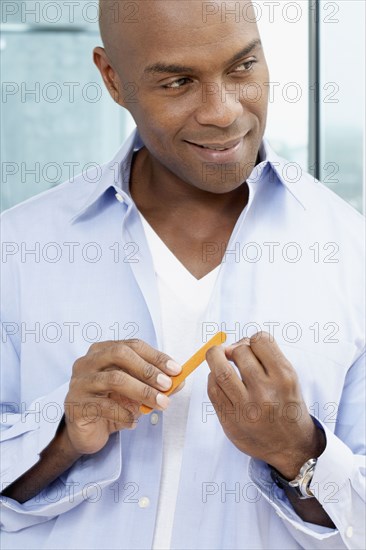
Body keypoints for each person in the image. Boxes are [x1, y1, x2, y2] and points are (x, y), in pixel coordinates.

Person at [0, 1, 364, 549]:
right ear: (112, 78)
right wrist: (62, 437)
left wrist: (298, 450)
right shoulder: (20, 249)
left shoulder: (350, 252)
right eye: (177, 81)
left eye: (243, 67)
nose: (222, 112)